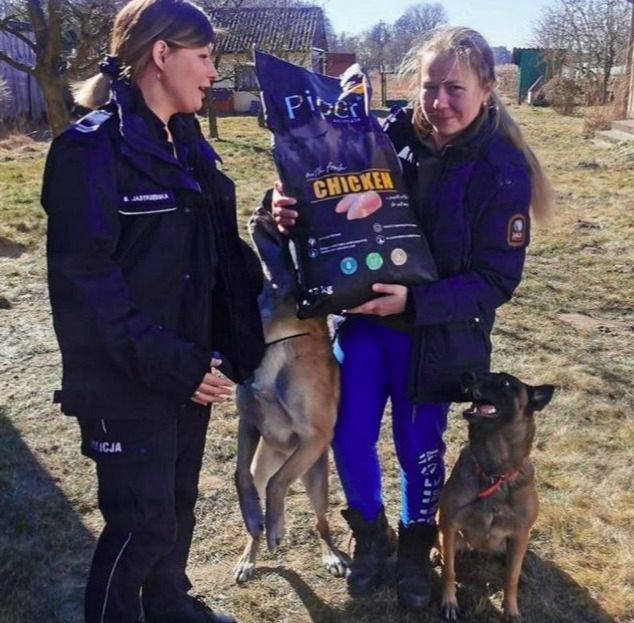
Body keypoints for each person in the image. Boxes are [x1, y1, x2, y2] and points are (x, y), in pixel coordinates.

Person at [271, 26, 552, 612]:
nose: (440, 102)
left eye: (455, 88)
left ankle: (416, 543)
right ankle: (371, 533)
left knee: (418, 444)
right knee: (348, 435)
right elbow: (326, 194)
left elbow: (497, 281)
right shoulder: (384, 133)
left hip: (437, 337)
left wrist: (415, 303)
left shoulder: (502, 168)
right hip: (366, 327)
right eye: (430, 87)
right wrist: (284, 207)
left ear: (486, 89)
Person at [41, 1, 265, 621]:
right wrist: (176, 366)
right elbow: (88, 294)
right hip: (127, 380)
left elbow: (214, 254)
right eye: (204, 57)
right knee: (140, 525)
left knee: (177, 504)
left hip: (189, 369)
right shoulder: (89, 153)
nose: (212, 72)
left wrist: (272, 225)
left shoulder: (186, 143)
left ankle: (169, 604)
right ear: (160, 55)